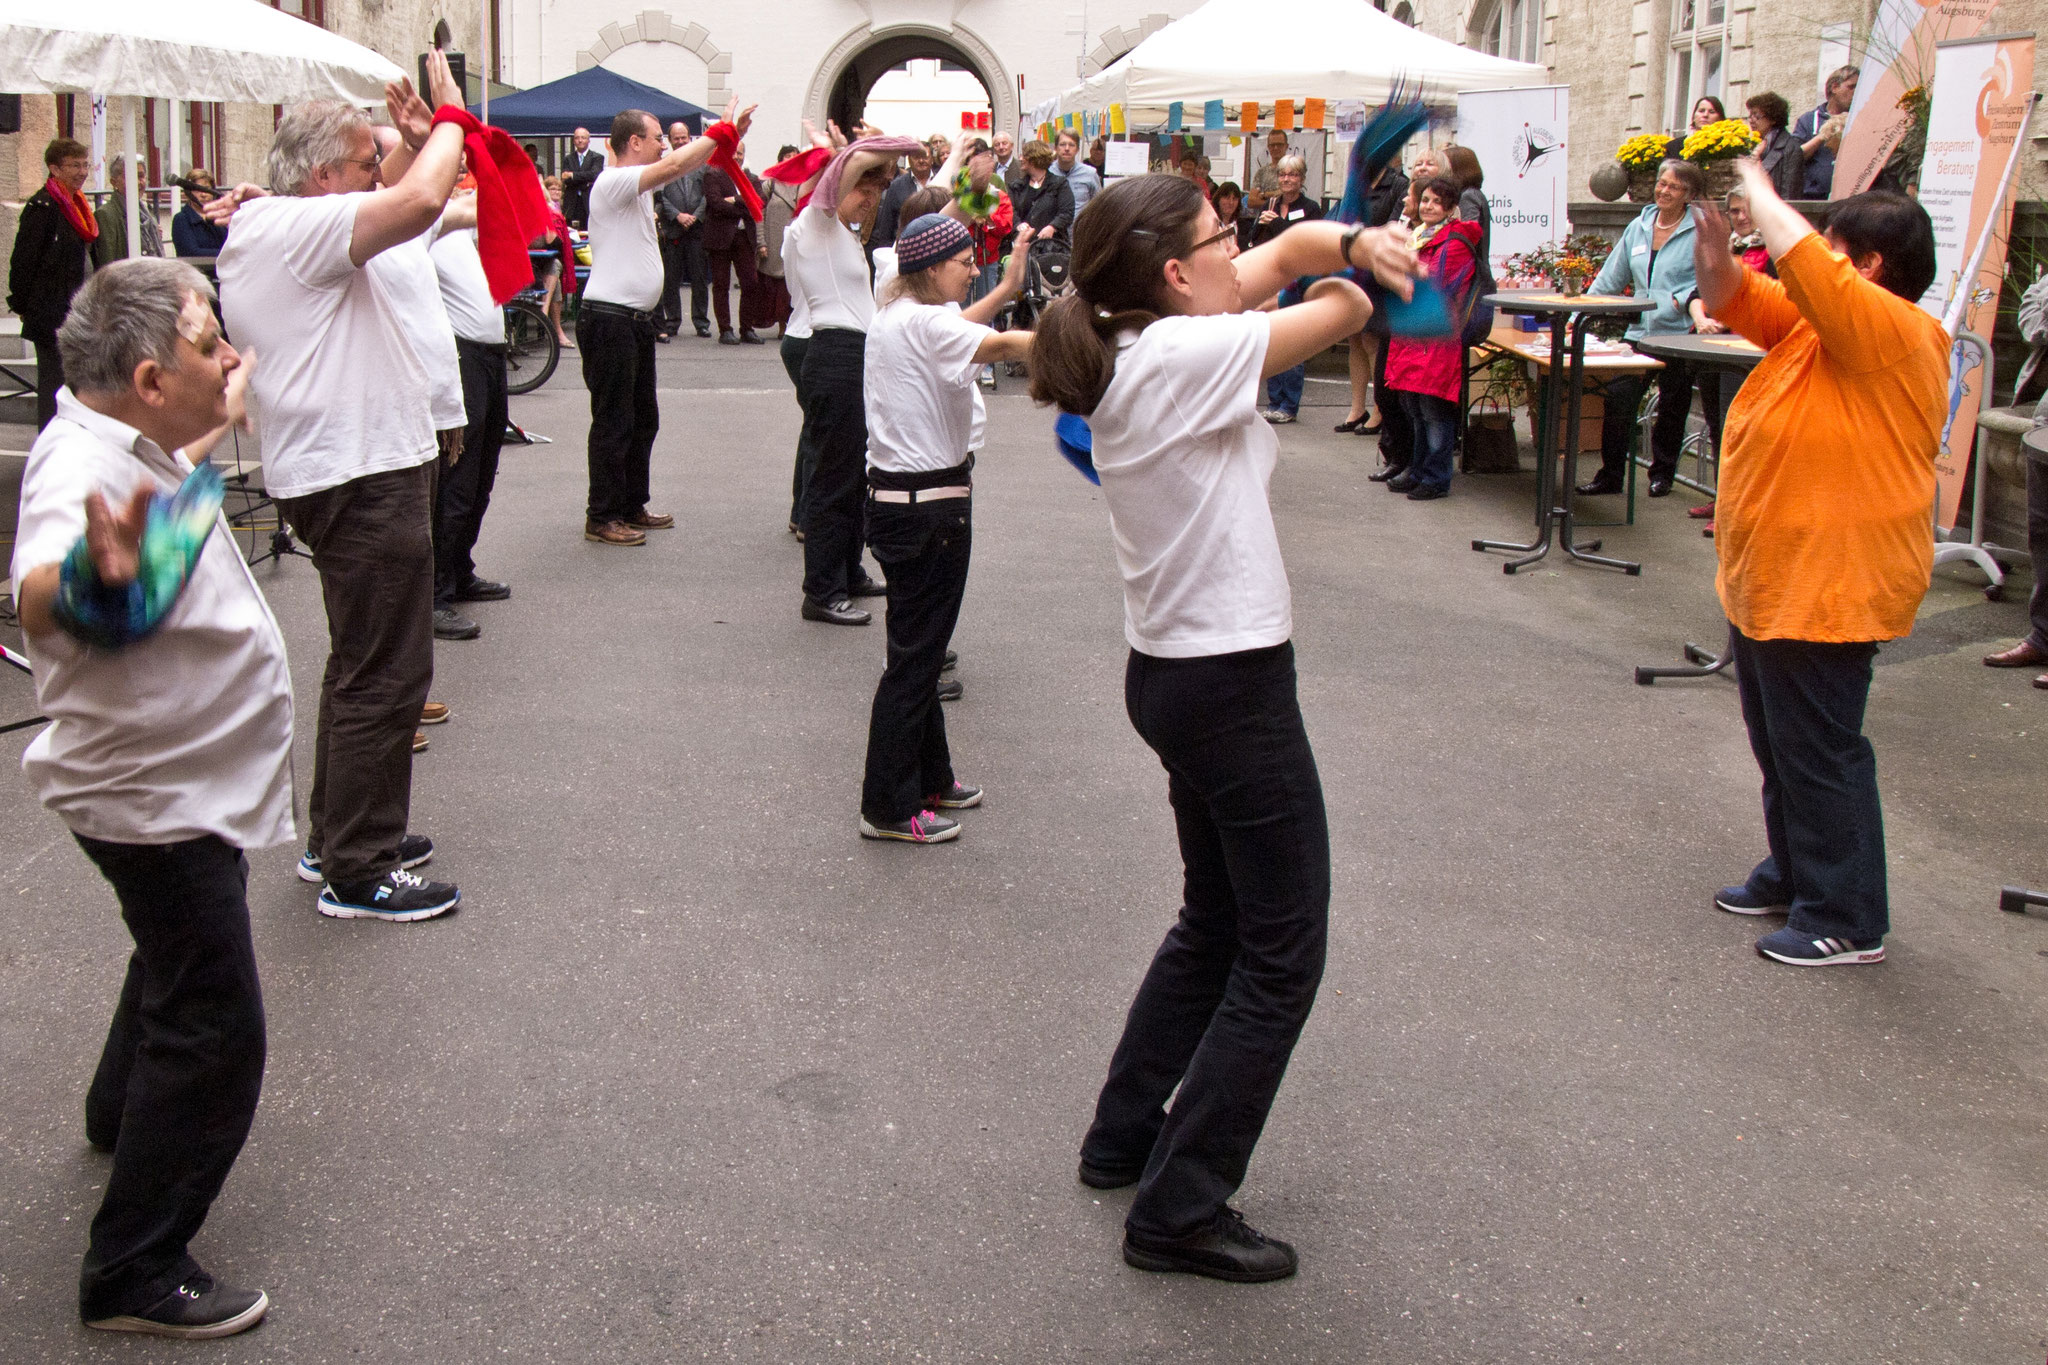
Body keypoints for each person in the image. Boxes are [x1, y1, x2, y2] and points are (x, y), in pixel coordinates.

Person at [1030, 172, 1413, 1282]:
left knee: (1214, 925)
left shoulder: (1129, 340)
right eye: (1216, 238)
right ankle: (1179, 1206)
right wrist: (1371, 268)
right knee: (1281, 952)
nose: (1231, 248)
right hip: (1229, 688)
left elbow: (1281, 268)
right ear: (1170, 270)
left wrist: (1321, 238)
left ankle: (1122, 1142)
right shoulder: (1186, 357)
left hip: (1179, 678)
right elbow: (1338, 312)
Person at [12, 257, 282, 1341]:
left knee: (166, 958)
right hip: (152, 796)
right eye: (206, 342)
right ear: (144, 373)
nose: (223, 354)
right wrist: (88, 581)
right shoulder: (76, 469)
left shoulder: (142, 441)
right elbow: (45, 586)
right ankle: (133, 1269)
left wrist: (216, 426)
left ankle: (120, 1111)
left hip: (178, 786)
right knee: (217, 1023)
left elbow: (165, 499)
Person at [212, 59, 468, 921]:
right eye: (363, 160)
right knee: (386, 672)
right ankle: (359, 868)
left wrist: (412, 141)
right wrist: (452, 125)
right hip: (358, 473)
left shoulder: (280, 224)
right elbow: (423, 198)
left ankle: (340, 835)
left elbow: (392, 191)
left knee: (361, 664)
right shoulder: (295, 228)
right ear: (323, 176)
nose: (377, 168)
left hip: (348, 467)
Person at [1691, 157, 1945, 966]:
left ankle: (1846, 913)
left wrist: (1759, 188)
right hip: (1776, 577)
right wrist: (1712, 233)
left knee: (1821, 747)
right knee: (1778, 740)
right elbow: (1729, 293)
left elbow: (1799, 259)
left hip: (1830, 583)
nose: (1808, 252)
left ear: (1866, 266)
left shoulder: (1896, 332)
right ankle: (1799, 868)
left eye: (1831, 244)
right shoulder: (1814, 329)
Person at [856, 214, 1040, 842]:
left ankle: (930, 777)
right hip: (927, 509)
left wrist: (1009, 288)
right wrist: (1080, 336)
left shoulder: (899, 314)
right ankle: (886, 805)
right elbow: (1003, 345)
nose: (972, 267)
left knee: (919, 650)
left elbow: (964, 326)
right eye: (965, 259)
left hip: (905, 503)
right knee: (914, 662)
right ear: (932, 268)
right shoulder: (926, 321)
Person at [577, 100, 756, 547]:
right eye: (656, 137)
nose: (662, 145)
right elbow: (677, 164)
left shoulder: (633, 187)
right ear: (634, 142)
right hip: (610, 317)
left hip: (631, 320)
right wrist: (722, 133)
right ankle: (602, 515)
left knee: (642, 418)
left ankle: (630, 503)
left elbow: (678, 164)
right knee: (614, 420)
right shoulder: (614, 180)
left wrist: (724, 137)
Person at [785, 133, 921, 624]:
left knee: (852, 476)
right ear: (834, 185)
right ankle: (821, 591)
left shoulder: (841, 233)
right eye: (866, 189)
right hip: (835, 354)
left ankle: (847, 571)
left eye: (879, 190)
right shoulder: (814, 223)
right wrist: (892, 145)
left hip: (853, 356)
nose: (873, 199)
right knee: (830, 479)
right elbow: (854, 160)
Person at [1577, 158, 1705, 499]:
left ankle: (1662, 474)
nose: (1664, 190)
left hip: (1678, 332)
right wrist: (1578, 314)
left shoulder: (1701, 229)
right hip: (1638, 333)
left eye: (1674, 186)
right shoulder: (1640, 225)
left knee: (1672, 407)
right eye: (1662, 183)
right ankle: (1611, 475)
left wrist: (1679, 302)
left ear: (1689, 194)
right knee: (1618, 398)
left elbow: (1707, 279)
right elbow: (1611, 276)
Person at [427, 193, 512, 641]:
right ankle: (435, 595)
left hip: (488, 354)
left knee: (482, 475)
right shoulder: (428, 218)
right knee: (457, 481)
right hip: (461, 355)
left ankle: (460, 570)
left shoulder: (457, 219)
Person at [1383, 176, 1481, 501]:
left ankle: (1436, 477)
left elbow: (1435, 285)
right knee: (1413, 407)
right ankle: (1419, 469)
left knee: (1434, 410)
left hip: (1437, 338)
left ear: (1451, 208)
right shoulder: (1418, 237)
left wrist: (1403, 276)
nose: (1427, 206)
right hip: (1412, 335)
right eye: (1424, 200)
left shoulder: (1454, 242)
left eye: (1436, 202)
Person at [9, 137, 97, 429]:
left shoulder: (79, 206)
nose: (82, 171)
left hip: (80, 313)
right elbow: (23, 262)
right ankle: (50, 452)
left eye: (85, 165)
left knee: (79, 387)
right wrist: (22, 305)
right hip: (51, 314)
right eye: (74, 165)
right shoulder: (43, 207)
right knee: (55, 387)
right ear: (54, 169)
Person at [1251, 154, 1322, 424]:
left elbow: (1302, 240)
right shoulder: (1271, 204)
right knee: (1270, 340)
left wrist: (1277, 223)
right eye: (1283, 175)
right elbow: (1254, 240)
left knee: (1291, 342)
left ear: (1302, 179)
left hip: (1295, 282)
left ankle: (1289, 405)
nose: (1287, 179)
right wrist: (1260, 224)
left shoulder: (1311, 208)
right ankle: (1274, 400)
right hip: (1270, 280)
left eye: (1292, 175)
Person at [1346, 156, 1410, 436]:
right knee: (1355, 338)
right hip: (1355, 266)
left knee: (1373, 339)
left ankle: (1379, 410)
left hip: (1379, 268)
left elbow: (1395, 225)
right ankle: (1356, 408)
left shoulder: (1398, 185)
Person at [655, 121, 711, 341]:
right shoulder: (663, 165)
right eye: (676, 138)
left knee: (699, 279)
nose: (680, 141)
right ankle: (672, 321)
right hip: (673, 230)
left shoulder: (701, 164)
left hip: (696, 229)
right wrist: (677, 215)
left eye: (683, 137)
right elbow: (660, 197)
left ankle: (701, 322)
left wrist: (696, 215)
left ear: (690, 138)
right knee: (671, 279)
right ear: (670, 141)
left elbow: (707, 194)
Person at [1793, 66, 1859, 200]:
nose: (1856, 93)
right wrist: (1823, 135)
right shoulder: (1809, 119)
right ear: (1834, 87)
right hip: (1814, 198)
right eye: (1851, 87)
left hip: (1851, 198)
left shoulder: (1860, 118)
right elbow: (1795, 157)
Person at [758, 144, 800, 338]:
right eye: (787, 155)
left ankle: (793, 323)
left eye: (795, 155)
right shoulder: (770, 184)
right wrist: (761, 242)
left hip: (797, 240)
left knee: (795, 283)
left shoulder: (804, 183)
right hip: (774, 238)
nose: (791, 158)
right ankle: (781, 323)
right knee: (776, 284)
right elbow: (759, 213)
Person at [534, 174, 576, 348]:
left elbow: (556, 246)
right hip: (524, 267)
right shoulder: (523, 216)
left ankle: (547, 317)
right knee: (554, 274)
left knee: (555, 267)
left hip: (540, 265)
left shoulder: (548, 217)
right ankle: (556, 330)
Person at [869, 143, 933, 255]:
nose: (921, 160)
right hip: (905, 252)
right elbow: (886, 227)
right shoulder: (896, 186)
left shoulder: (943, 183)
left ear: (932, 158)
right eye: (916, 157)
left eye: (925, 156)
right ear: (909, 159)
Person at [1009, 140, 1075, 246]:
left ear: (1034, 158)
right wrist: (1018, 224)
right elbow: (1011, 211)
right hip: (1024, 246)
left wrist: (1052, 227)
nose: (1020, 158)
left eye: (1024, 155)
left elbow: (1067, 212)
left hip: (1052, 247)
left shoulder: (1059, 184)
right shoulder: (1016, 186)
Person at [170, 168, 228, 257]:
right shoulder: (182, 219)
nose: (203, 195)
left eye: (207, 189)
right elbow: (191, 253)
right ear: (188, 193)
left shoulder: (218, 218)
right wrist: (227, 254)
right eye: (197, 190)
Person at [561, 125, 604, 227]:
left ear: (588, 140)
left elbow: (594, 175)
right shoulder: (568, 159)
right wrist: (586, 180)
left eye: (583, 138)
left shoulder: (597, 158)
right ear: (573, 141)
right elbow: (566, 180)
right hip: (572, 203)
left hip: (589, 202)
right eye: (577, 138)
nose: (580, 140)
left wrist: (573, 175)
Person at [1055, 128, 1102, 215]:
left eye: (1071, 145)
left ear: (1077, 149)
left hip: (1079, 228)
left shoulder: (1090, 174)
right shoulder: (1047, 172)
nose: (1067, 148)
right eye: (1062, 144)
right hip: (1051, 227)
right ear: (1056, 148)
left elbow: (1099, 206)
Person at [1247, 128, 1295, 212]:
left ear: (1286, 146)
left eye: (1279, 144)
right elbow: (1251, 201)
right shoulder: (1261, 172)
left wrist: (1265, 195)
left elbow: (1291, 198)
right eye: (1272, 145)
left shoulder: (1294, 171)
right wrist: (1277, 200)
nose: (1275, 148)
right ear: (1268, 147)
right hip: (1265, 222)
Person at [1668, 94, 1727, 158]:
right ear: (1693, 117)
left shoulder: (1727, 147)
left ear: (1720, 118)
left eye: (1712, 112)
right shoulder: (1673, 146)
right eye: (1701, 111)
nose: (1705, 115)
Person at [1211, 181, 1254, 255]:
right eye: (1227, 198)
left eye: (1234, 199)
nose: (1231, 202)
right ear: (1218, 199)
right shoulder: (1211, 224)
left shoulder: (1245, 226)